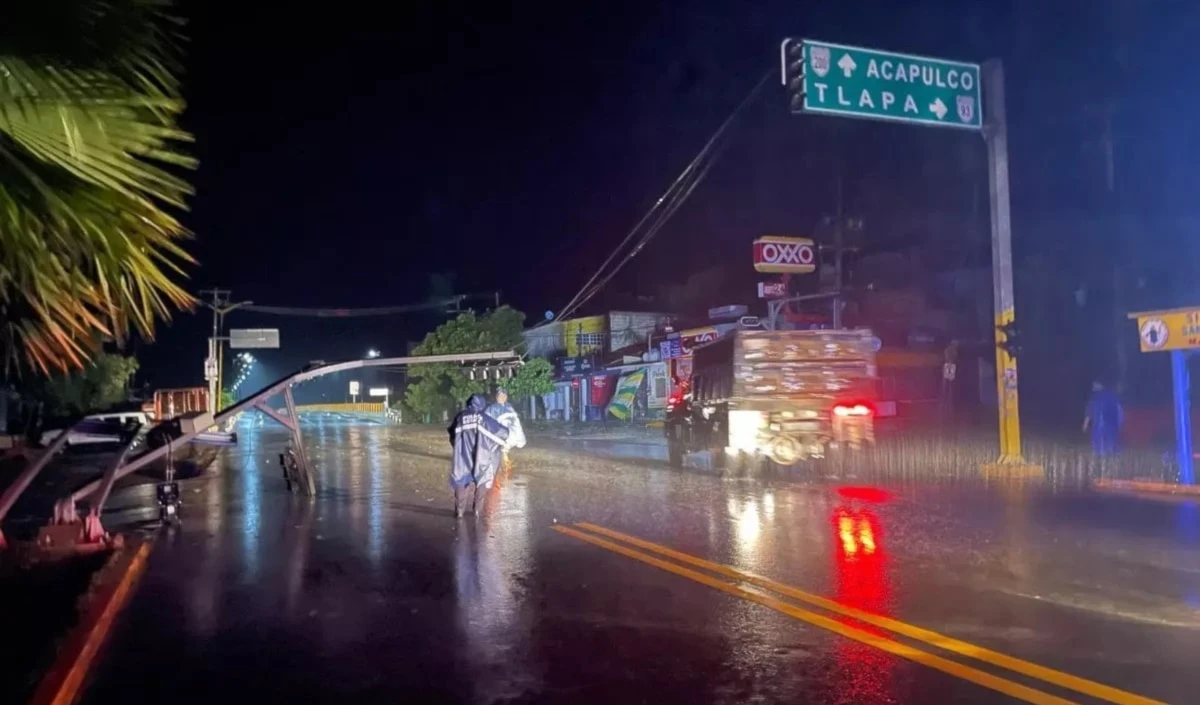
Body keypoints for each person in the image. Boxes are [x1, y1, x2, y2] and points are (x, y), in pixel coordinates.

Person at [448, 394, 509, 518]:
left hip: (462, 455)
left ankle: (459, 512)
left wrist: (457, 446)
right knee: (481, 479)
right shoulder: (484, 418)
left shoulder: (461, 416)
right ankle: (477, 512)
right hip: (481, 456)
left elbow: (452, 433)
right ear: (482, 404)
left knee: (460, 480)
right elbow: (502, 432)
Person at [1083, 380, 1123, 457]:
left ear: (1099, 385)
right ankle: (1113, 459)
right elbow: (1120, 411)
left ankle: (1101, 458)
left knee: (1099, 447)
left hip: (1099, 425)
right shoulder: (1113, 395)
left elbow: (1089, 411)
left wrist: (1085, 424)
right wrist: (1120, 423)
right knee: (1112, 446)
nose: (1093, 387)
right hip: (1112, 425)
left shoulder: (1095, 397)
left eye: (1094, 385)